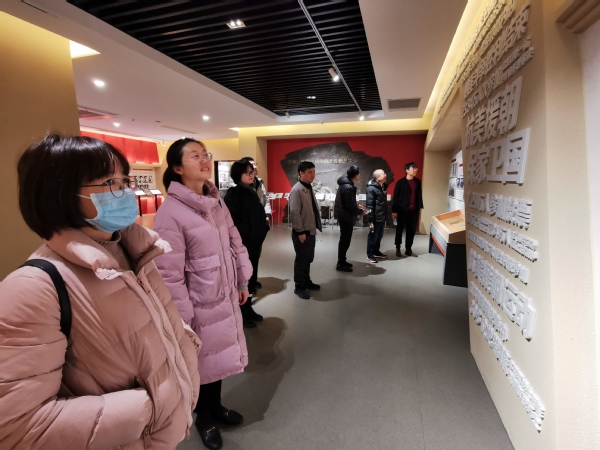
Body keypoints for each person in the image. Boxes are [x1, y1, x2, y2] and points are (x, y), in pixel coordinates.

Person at [0, 134, 200, 449]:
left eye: (124, 181)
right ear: (60, 193)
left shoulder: (137, 251)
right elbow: (19, 427)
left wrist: (181, 343)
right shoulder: (32, 288)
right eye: (109, 182)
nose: (125, 192)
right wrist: (151, 406)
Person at [154, 138, 252, 450]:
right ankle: (203, 417)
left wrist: (242, 281)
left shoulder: (216, 201)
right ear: (177, 168)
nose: (204, 160)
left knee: (217, 358)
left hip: (223, 295)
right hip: (197, 303)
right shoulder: (170, 213)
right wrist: (182, 319)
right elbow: (169, 274)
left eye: (205, 154)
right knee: (200, 364)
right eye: (195, 156)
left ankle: (216, 407)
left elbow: (235, 241)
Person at [224, 160, 270, 328]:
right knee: (242, 280)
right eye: (247, 172)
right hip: (243, 246)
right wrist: (249, 236)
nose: (251, 175)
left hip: (255, 245)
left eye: (252, 172)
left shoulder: (252, 191)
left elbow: (259, 215)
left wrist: (263, 229)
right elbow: (233, 222)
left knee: (251, 279)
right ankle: (241, 313)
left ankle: (248, 309)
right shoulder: (233, 195)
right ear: (238, 175)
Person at [288, 161, 322, 299]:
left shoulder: (308, 187)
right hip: (302, 231)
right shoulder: (296, 190)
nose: (312, 175)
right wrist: (300, 232)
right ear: (301, 173)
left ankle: (306, 281)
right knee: (301, 260)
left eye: (313, 172)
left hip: (310, 229)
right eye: (309, 172)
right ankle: (299, 286)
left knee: (308, 258)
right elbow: (294, 213)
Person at [239, 156, 271, 290]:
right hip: (247, 228)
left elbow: (265, 199)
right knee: (246, 256)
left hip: (259, 225)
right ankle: (246, 283)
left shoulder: (259, 182)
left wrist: (267, 215)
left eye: (255, 165)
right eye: (251, 166)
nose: (255, 167)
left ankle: (253, 280)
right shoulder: (237, 189)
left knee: (256, 255)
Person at [334, 165, 365, 272]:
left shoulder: (346, 185)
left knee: (345, 240)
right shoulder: (348, 187)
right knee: (345, 241)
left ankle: (342, 260)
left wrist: (356, 206)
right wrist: (361, 212)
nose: (360, 175)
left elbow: (349, 202)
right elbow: (350, 206)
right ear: (356, 175)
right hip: (345, 217)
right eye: (359, 173)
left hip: (344, 216)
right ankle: (341, 263)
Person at [392, 162, 423, 257]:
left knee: (411, 230)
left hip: (414, 210)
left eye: (416, 168)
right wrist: (394, 211)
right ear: (407, 170)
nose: (416, 170)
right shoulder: (400, 182)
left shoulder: (417, 182)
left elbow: (419, 195)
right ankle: (398, 248)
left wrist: (419, 207)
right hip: (402, 210)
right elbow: (395, 197)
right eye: (413, 168)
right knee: (399, 229)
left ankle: (408, 249)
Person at [366, 169, 389, 263]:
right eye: (383, 174)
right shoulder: (371, 188)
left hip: (381, 216)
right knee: (373, 236)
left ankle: (376, 251)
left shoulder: (382, 187)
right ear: (377, 177)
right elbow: (369, 205)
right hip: (375, 217)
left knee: (379, 236)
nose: (385, 175)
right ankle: (370, 255)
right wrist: (370, 219)